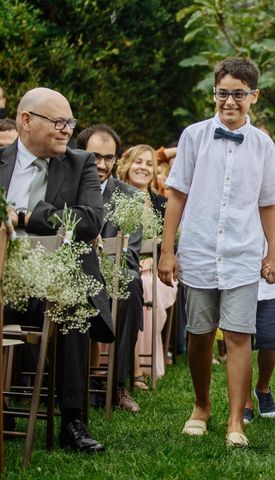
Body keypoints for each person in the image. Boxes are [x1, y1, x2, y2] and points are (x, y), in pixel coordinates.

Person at [158, 57, 275, 448]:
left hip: (243, 253)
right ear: (214, 93)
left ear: (253, 96)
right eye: (223, 93)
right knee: (198, 334)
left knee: (240, 336)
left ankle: (235, 422)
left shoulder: (263, 143)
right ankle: (201, 406)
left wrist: (274, 252)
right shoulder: (193, 136)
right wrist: (167, 250)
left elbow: (268, 202)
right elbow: (176, 195)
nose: (230, 102)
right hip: (198, 250)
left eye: (239, 94)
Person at [1, 87, 111, 452]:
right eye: (59, 122)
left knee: (71, 304)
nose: (67, 129)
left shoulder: (80, 165)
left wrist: (28, 216)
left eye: (70, 122)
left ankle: (72, 421)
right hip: (3, 275)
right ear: (26, 121)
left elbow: (91, 221)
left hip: (53, 280)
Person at [77, 124, 143, 413]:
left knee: (131, 282)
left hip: (111, 273)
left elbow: (132, 254)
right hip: (72, 270)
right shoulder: (66, 188)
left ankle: (116, 385)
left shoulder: (130, 197)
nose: (102, 165)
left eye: (108, 158)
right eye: (94, 157)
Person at [116, 145, 175, 382]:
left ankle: (138, 367)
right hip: (122, 266)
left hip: (156, 270)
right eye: (138, 162)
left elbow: (170, 244)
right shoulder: (113, 198)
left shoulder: (161, 204)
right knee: (133, 284)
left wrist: (154, 259)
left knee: (146, 285)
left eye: (149, 164)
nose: (143, 168)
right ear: (126, 164)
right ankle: (129, 366)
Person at [243, 194, 275, 424]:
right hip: (239, 279)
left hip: (269, 286)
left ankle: (262, 387)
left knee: (269, 341)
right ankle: (244, 400)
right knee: (240, 341)